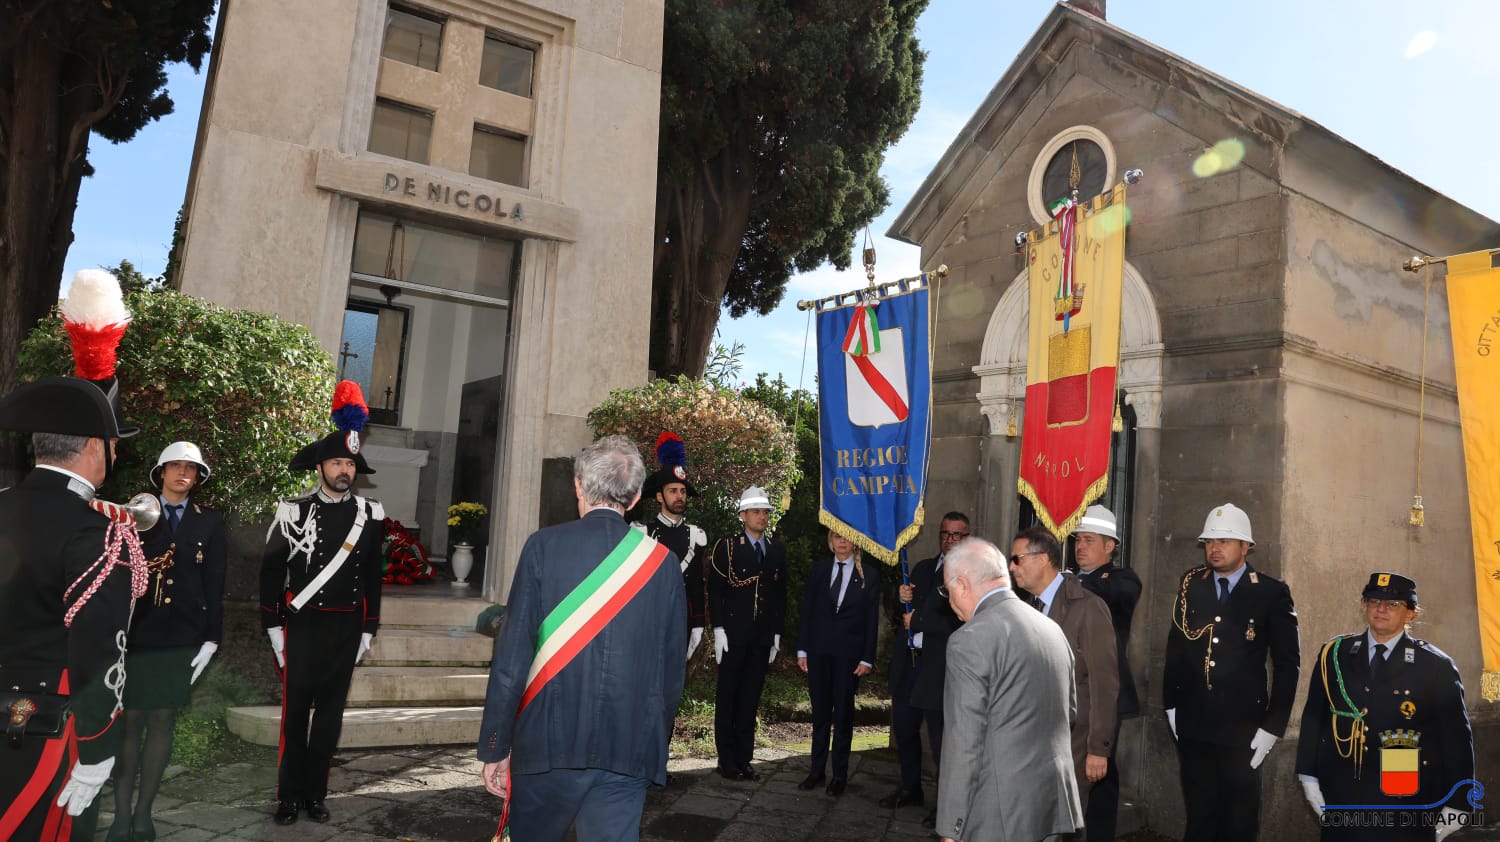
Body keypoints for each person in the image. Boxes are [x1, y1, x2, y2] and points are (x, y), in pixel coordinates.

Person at [478, 435, 686, 841]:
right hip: (627, 749)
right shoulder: (663, 565)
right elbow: (671, 674)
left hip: (544, 748)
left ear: (578, 485)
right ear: (638, 494)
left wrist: (495, 746)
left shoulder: (542, 547)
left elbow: (512, 660)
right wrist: (652, 742)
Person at [0, 380, 142, 840]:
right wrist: (98, 749)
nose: (116, 456)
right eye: (114, 446)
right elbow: (100, 650)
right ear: (94, 448)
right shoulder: (100, 533)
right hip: (46, 726)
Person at [259, 381, 385, 826]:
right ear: (320, 467)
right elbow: (271, 574)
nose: (344, 470)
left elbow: (372, 575)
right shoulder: (292, 511)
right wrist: (274, 629)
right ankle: (289, 796)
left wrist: (369, 629)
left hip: (346, 628)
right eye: (336, 462)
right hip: (305, 626)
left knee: (330, 720)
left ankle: (316, 794)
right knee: (295, 718)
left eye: (349, 463)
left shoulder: (372, 515)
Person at [107, 442, 227, 842]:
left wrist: (212, 637)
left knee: (162, 722)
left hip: (181, 637)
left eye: (191, 469)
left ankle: (144, 814)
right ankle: (121, 813)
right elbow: (117, 572)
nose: (183, 475)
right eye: (175, 467)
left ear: (198, 478)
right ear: (161, 473)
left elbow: (214, 582)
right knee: (130, 724)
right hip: (137, 633)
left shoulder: (209, 521)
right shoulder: (135, 513)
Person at [1295, 573, 1473, 841]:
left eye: (1393, 604)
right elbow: (1314, 717)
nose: (1380, 609)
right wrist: (1308, 776)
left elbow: (1456, 738)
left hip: (1406, 800)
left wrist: (1458, 804)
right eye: (1374, 600)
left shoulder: (1435, 665)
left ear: (1411, 613)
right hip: (1344, 794)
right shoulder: (1335, 654)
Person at [1163, 503, 1300, 842]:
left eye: (1225, 541)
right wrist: (1171, 705)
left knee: (1238, 822)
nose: (1214, 548)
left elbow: (1287, 664)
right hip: (1194, 723)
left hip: (1244, 729)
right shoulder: (1192, 584)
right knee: (1199, 818)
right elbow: (1176, 648)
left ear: (1245, 547)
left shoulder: (1269, 591)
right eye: (1210, 541)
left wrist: (1272, 726)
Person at [937, 537, 1083, 842]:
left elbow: (964, 741)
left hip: (998, 812)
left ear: (962, 584)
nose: (949, 602)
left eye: (947, 591)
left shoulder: (970, 639)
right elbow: (1068, 714)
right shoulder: (1051, 628)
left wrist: (952, 826)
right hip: (1052, 804)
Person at [1011, 526, 1119, 816]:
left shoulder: (1088, 607)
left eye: (1017, 559)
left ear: (1043, 559)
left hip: (1072, 747)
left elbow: (1104, 684)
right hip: (1030, 746)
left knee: (1063, 827)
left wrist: (1099, 748)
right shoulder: (1026, 606)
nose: (1012, 567)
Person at [882, 511, 969, 827]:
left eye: (958, 535)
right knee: (905, 733)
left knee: (941, 742)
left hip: (940, 671)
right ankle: (910, 787)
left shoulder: (967, 577)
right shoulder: (921, 567)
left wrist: (917, 620)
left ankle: (944, 806)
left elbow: (959, 620)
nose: (950, 540)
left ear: (967, 538)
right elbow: (899, 613)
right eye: (946, 533)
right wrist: (899, 596)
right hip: (909, 667)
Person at [707, 486, 788, 781]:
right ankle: (726, 759)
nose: (762, 517)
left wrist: (777, 634)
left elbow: (780, 594)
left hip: (761, 637)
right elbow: (715, 591)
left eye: (765, 512)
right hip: (733, 635)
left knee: (750, 698)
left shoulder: (776, 549)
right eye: (756, 511)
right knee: (728, 696)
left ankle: (744, 758)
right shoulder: (728, 546)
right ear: (742, 515)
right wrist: (718, 629)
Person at [1072, 505, 1141, 842]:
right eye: (1077, 540)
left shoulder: (1122, 579)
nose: (1080, 546)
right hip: (1070, 689)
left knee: (1101, 772)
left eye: (1088, 540)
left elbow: (1114, 594)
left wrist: (1064, 582)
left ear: (1109, 546)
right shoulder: (1071, 580)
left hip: (1103, 693)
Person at [795, 529, 881, 796]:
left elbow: (871, 621)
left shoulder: (869, 575)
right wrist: (802, 649)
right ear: (830, 540)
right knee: (820, 715)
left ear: (855, 541)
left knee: (843, 716)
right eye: (836, 536)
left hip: (848, 656)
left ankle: (840, 775)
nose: (842, 541)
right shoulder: (819, 570)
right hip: (819, 653)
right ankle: (816, 772)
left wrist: (867, 657)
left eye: (846, 536)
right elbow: (808, 610)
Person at [633, 431, 709, 661]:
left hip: (682, 620)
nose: (679, 497)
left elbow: (696, 583)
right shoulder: (642, 533)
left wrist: (698, 623)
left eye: (683, 491)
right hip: (648, 620)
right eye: (673, 491)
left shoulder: (697, 535)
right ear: (659, 497)